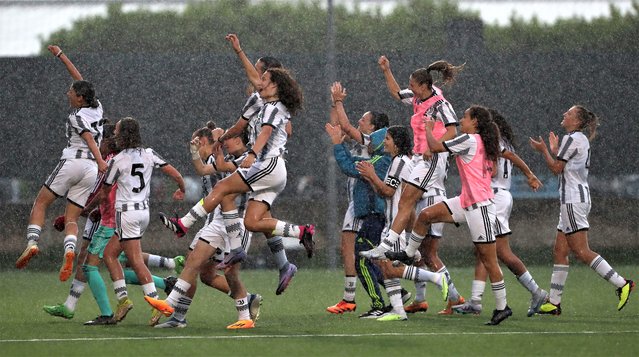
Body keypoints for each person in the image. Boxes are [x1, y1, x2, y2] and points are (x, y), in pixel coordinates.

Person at [159, 66, 314, 295]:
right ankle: (301, 231)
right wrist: (221, 139)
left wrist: (252, 154)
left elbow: (265, 134)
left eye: (264, 78)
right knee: (251, 221)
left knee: (223, 189)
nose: (259, 81)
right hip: (271, 169)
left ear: (275, 86)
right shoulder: (263, 104)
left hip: (268, 163)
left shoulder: (272, 107)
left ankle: (185, 224)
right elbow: (238, 129)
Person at [387, 105, 512, 326]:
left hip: (480, 207)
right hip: (466, 201)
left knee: (489, 259)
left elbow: (435, 146)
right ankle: (408, 253)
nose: (461, 120)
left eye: (464, 117)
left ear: (475, 122)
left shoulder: (471, 140)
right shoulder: (478, 141)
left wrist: (428, 128)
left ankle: (503, 307)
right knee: (425, 216)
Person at [361, 55, 465, 314]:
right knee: (406, 199)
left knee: (426, 249)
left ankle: (410, 256)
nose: (410, 88)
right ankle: (392, 245)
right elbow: (397, 93)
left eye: (412, 83)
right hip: (421, 158)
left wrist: (435, 144)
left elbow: (453, 129)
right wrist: (386, 69)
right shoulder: (418, 98)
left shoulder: (439, 102)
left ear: (423, 85)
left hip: (433, 159)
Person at [148, 127, 262, 330]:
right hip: (216, 220)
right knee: (195, 263)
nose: (225, 142)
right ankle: (174, 311)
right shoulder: (221, 160)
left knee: (228, 273)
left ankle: (244, 312)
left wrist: (218, 143)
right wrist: (200, 151)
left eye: (228, 138)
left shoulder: (245, 160)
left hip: (235, 222)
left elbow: (218, 171)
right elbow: (204, 169)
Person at [529, 105, 634, 315]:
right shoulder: (580, 139)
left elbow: (557, 169)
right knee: (560, 251)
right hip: (577, 198)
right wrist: (555, 151)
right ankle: (554, 303)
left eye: (568, 113)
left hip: (573, 200)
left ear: (577, 121)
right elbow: (567, 165)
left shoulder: (572, 138)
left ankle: (622, 283)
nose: (564, 115)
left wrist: (543, 152)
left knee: (581, 251)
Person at [16, 45, 108, 282]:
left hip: (73, 162)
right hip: (89, 171)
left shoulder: (75, 116)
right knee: (71, 218)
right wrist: (61, 56)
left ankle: (33, 243)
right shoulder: (97, 109)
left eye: (71, 92)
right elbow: (81, 81)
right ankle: (68, 251)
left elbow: (87, 137)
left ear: (80, 98)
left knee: (40, 203)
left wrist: (101, 162)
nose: (68, 93)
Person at [452, 109, 548, 317]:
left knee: (500, 252)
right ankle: (476, 301)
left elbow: (496, 168)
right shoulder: (498, 140)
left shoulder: (491, 141)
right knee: (483, 250)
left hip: (494, 197)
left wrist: (529, 175)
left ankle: (536, 292)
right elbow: (510, 157)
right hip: (496, 196)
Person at [357, 125, 448, 321]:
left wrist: (372, 175)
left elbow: (388, 192)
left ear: (397, 143)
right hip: (395, 224)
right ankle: (398, 311)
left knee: (390, 268)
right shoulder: (400, 161)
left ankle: (436, 278)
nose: (385, 142)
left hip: (394, 225)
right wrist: (371, 177)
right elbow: (389, 193)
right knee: (386, 267)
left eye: (388, 138)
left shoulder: (399, 162)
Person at [102, 117, 186, 324]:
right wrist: (181, 188)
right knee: (110, 255)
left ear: (122, 135)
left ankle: (157, 304)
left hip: (127, 214)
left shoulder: (118, 160)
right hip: (143, 213)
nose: (114, 134)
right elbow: (175, 173)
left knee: (135, 261)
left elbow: (105, 191)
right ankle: (122, 300)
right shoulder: (149, 154)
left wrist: (90, 207)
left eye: (117, 131)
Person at [325, 81, 388, 315]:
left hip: (367, 203)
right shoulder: (364, 143)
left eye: (364, 119)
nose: (359, 122)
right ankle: (390, 290)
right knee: (359, 250)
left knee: (360, 251)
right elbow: (336, 126)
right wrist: (334, 104)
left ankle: (354, 298)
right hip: (359, 202)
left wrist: (339, 102)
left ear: (373, 128)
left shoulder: (372, 146)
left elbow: (346, 127)